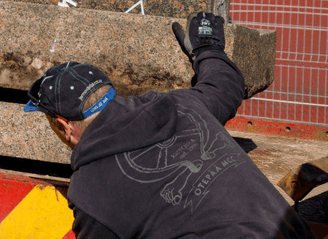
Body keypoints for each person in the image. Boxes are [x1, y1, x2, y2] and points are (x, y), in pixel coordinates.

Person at [23, 12, 315, 238]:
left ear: (63, 126)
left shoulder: (91, 191)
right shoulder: (182, 105)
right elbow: (224, 86)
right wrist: (207, 48)